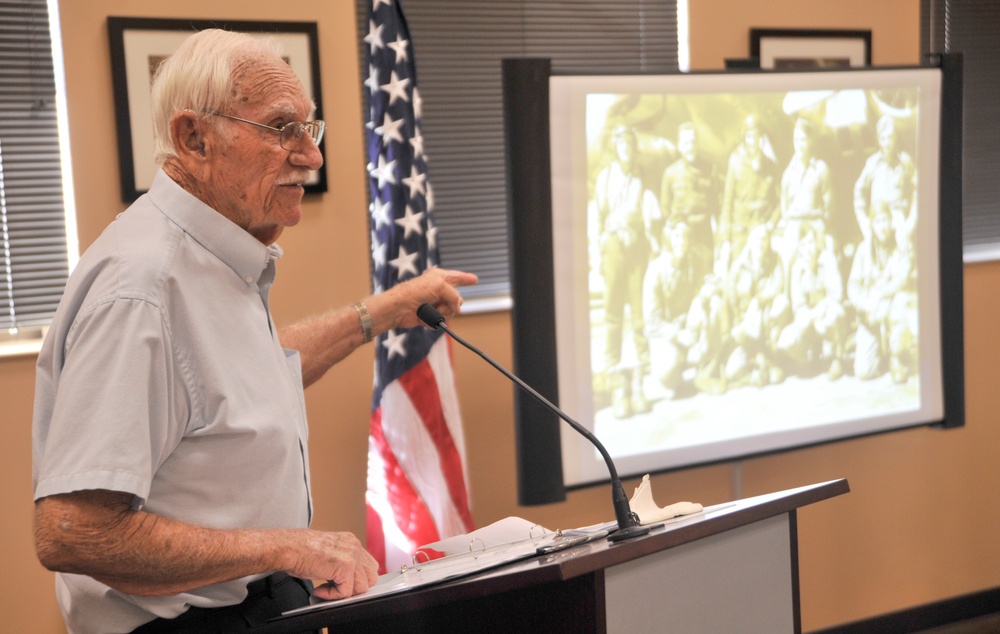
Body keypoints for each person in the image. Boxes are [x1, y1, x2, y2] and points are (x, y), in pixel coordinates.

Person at [31, 29, 477, 634]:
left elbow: (236, 379)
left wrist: (381, 312)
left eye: (309, 129)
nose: (311, 156)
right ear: (196, 139)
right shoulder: (141, 288)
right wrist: (285, 548)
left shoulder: (208, 255)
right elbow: (73, 531)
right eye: (281, 128)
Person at [592, 124, 652, 419]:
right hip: (614, 248)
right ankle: (616, 381)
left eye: (629, 143)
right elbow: (598, 219)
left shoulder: (642, 175)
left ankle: (640, 381)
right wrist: (599, 252)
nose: (625, 148)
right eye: (621, 144)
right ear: (615, 147)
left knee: (639, 314)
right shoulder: (605, 178)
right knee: (614, 315)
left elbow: (651, 211)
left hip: (637, 248)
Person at [657, 122, 720, 285]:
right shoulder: (670, 173)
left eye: (692, 142)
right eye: (685, 143)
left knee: (705, 281)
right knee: (682, 283)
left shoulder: (710, 169)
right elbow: (665, 208)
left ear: (697, 143)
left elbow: (716, 205)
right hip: (682, 238)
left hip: (704, 235)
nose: (690, 147)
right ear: (679, 146)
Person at [718, 114, 780, 269]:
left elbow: (781, 202)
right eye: (749, 136)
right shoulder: (735, 161)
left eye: (758, 136)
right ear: (745, 138)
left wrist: (770, 224)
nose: (753, 141)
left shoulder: (770, 166)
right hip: (740, 228)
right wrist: (725, 239)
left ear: (762, 138)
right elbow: (727, 202)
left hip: (761, 229)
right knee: (737, 273)